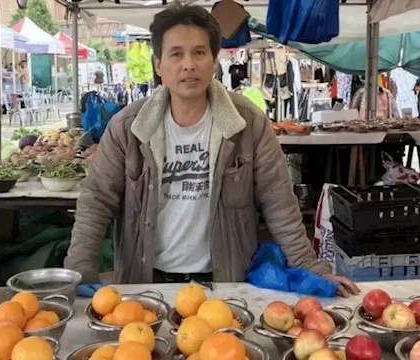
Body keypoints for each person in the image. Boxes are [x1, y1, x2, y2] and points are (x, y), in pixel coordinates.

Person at [63, 4, 360, 297]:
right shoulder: (128, 127)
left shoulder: (248, 123)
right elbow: (96, 201)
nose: (188, 64)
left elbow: (279, 202)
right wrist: (80, 268)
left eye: (199, 53)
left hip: (225, 283)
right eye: (176, 54)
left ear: (214, 61)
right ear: (158, 65)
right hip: (145, 283)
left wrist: (310, 266)